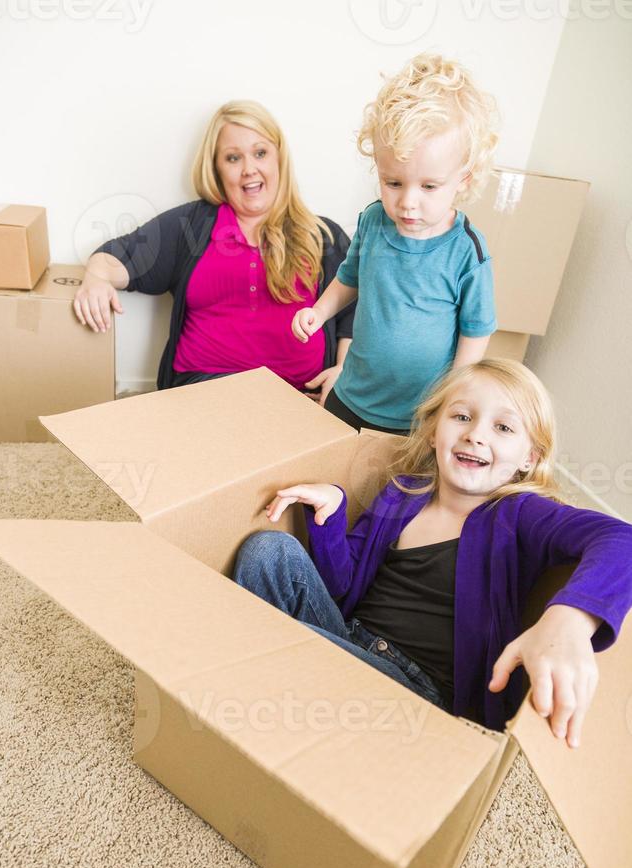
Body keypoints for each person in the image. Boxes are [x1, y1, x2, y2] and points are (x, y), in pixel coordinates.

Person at [233, 359, 632, 746]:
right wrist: (333, 510)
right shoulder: (401, 494)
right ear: (432, 431)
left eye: (503, 427)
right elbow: (340, 586)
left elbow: (621, 541)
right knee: (268, 550)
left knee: (272, 640)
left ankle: (268, 678)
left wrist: (569, 622)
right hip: (346, 637)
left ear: (529, 458)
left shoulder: (520, 515)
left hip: (415, 691)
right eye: (461, 417)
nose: (476, 435)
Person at [73, 101, 354, 400]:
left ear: (279, 159)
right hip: (203, 395)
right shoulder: (189, 226)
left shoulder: (323, 236)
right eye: (233, 158)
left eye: (260, 153)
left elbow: (354, 316)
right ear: (217, 169)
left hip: (300, 398)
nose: (249, 169)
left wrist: (343, 371)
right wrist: (96, 278)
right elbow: (115, 256)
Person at [292, 53, 499, 434]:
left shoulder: (467, 251)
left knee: (396, 490)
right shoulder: (373, 220)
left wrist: (456, 398)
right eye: (394, 182)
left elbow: (476, 330)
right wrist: (319, 312)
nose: (407, 202)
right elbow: (349, 278)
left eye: (429, 186)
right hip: (352, 391)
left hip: (419, 412)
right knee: (332, 477)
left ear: (463, 179)